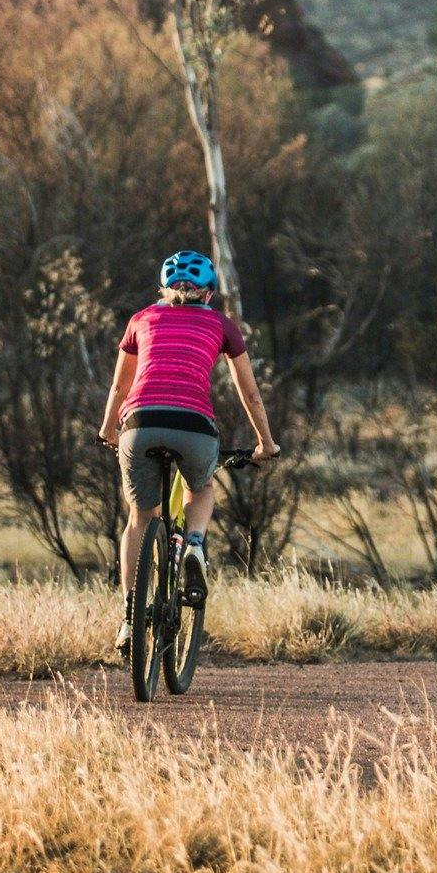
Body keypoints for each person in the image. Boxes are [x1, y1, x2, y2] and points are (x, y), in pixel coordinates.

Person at [95, 250, 279, 654]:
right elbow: (249, 392)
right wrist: (265, 442)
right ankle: (194, 544)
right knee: (202, 487)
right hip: (194, 426)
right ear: (209, 293)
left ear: (162, 289)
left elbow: (118, 388)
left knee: (139, 519)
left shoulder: (141, 319)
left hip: (139, 424)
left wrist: (109, 429)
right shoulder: (221, 324)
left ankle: (130, 619)